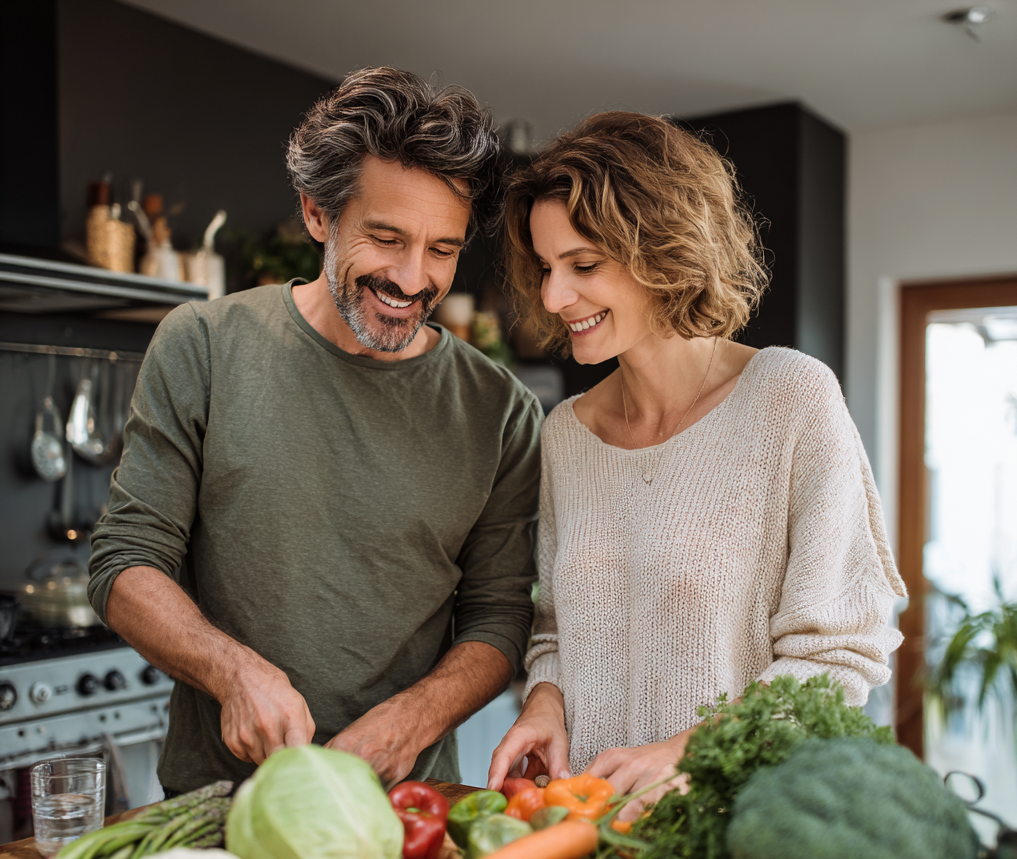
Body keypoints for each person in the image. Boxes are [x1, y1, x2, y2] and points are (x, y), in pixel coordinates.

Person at [88, 67, 542, 795]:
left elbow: (499, 618)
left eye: (443, 250)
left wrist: (415, 721)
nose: (412, 277)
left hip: (407, 812)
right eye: (386, 238)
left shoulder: (500, 411)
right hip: (216, 805)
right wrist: (231, 671)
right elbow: (123, 562)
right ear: (317, 215)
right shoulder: (205, 345)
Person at [487, 112, 906, 811]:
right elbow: (556, 630)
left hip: (738, 837)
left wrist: (693, 750)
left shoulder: (789, 399)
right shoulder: (565, 434)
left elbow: (839, 655)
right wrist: (545, 705)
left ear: (662, 250)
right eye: (547, 267)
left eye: (584, 265)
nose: (556, 297)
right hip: (588, 830)